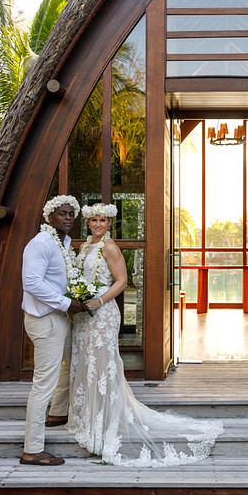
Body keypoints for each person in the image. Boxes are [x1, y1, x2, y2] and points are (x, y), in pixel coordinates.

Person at [68, 202, 223, 466]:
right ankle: (87, 419)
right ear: (87, 223)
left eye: (102, 221)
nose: (97, 225)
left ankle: (105, 423)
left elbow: (121, 282)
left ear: (109, 224)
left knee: (102, 367)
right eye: (93, 220)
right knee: (87, 364)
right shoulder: (84, 247)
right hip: (84, 316)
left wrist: (100, 300)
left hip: (102, 314)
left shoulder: (109, 247)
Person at [18, 194, 84, 466]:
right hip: (45, 319)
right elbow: (31, 282)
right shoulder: (41, 243)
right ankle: (32, 450)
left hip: (60, 317)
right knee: (43, 383)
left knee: (68, 362)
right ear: (49, 217)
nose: (68, 217)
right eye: (62, 213)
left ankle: (57, 413)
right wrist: (67, 302)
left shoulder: (64, 244)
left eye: (71, 213)